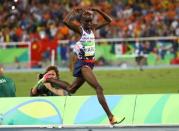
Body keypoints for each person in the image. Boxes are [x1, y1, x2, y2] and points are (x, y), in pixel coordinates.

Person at [41, 7, 125, 125]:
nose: (89, 23)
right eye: (86, 21)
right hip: (83, 64)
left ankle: (47, 79)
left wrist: (98, 11)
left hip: (90, 64)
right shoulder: (80, 30)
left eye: (90, 21)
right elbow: (65, 21)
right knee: (98, 88)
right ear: (81, 22)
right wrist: (73, 12)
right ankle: (111, 117)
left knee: (71, 89)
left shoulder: (93, 28)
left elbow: (109, 20)